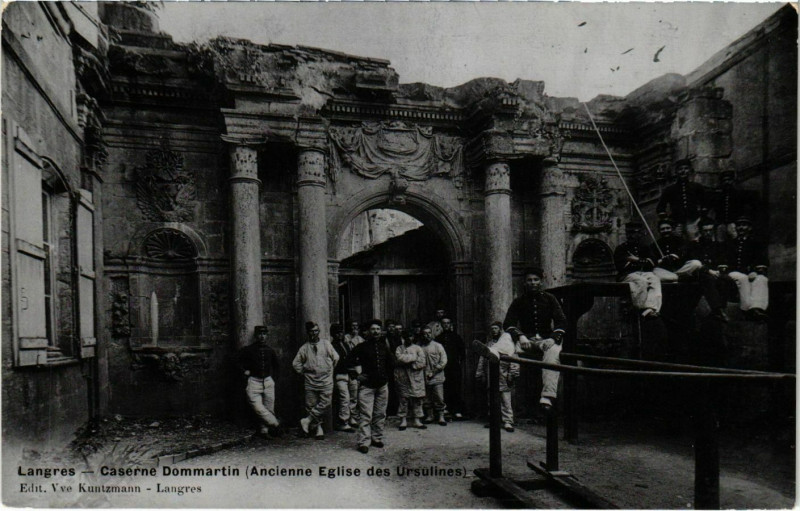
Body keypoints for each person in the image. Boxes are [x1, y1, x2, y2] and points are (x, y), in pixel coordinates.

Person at [503, 268, 566, 410]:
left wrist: (552, 339)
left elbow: (561, 321)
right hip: (526, 342)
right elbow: (508, 323)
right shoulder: (518, 301)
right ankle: (504, 363)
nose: (533, 283)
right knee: (507, 341)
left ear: (541, 282)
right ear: (524, 283)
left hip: (545, 342)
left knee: (553, 352)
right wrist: (521, 336)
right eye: (529, 280)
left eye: (536, 280)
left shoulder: (550, 299)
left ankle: (547, 395)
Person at [348, 319, 393, 453]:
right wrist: (357, 376)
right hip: (367, 387)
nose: (376, 332)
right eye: (373, 329)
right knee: (366, 415)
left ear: (381, 331)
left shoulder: (384, 347)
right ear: (368, 331)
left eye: (378, 329)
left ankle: (377, 438)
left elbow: (391, 363)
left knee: (380, 414)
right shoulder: (361, 347)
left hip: (382, 387)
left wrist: (386, 377)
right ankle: (364, 442)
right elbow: (347, 361)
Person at [292, 321, 338, 440]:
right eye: (311, 331)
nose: (314, 333)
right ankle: (318, 429)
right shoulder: (304, 348)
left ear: (319, 332)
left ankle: (307, 420)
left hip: (326, 381)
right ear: (308, 333)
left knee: (326, 403)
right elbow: (295, 363)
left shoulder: (326, 344)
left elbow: (336, 358)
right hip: (310, 381)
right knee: (311, 405)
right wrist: (305, 371)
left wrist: (328, 370)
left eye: (316, 331)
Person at [238, 326, 282, 437]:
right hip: (254, 381)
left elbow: (277, 366)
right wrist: (244, 371)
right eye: (259, 334)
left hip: (267, 381)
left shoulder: (270, 350)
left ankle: (264, 430)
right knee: (258, 407)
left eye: (264, 334)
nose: (262, 336)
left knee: (269, 407)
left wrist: (273, 380)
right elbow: (235, 360)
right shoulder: (249, 349)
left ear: (267, 335)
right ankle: (276, 424)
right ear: (256, 336)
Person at [682, 218, 729, 322]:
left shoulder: (716, 245)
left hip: (713, 273)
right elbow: (695, 264)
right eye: (705, 231)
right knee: (707, 278)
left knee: (725, 279)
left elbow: (720, 261)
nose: (708, 233)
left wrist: (718, 270)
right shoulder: (694, 245)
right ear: (700, 231)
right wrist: (710, 271)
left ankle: (719, 310)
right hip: (698, 274)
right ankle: (717, 310)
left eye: (710, 230)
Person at [476, 322, 520, 432]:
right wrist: (480, 373)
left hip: (504, 374)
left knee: (505, 399)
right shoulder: (489, 344)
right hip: (491, 374)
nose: (494, 331)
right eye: (492, 329)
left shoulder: (508, 343)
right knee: (491, 398)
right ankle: (493, 419)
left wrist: (512, 373)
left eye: (496, 328)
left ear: (500, 330)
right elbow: (482, 359)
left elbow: (514, 359)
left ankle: (508, 421)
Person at [724, 215, 769, 321]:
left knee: (762, 279)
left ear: (750, 228)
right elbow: (724, 260)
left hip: (749, 273)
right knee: (743, 278)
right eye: (739, 225)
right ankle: (746, 309)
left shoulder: (756, 243)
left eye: (744, 225)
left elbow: (762, 260)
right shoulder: (730, 244)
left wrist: (754, 271)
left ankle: (757, 308)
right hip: (733, 272)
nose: (741, 228)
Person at [614, 221, 663, 318]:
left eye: (635, 233)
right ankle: (640, 309)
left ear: (640, 234)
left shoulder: (645, 247)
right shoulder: (621, 248)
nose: (632, 236)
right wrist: (643, 262)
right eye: (630, 233)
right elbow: (620, 266)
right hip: (627, 275)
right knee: (642, 281)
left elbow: (653, 263)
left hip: (644, 272)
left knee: (655, 279)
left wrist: (637, 260)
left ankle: (651, 308)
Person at [656, 158, 708, 240]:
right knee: (677, 243)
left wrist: (700, 219)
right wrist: (667, 220)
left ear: (690, 170)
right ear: (676, 172)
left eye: (686, 168)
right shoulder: (669, 190)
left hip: (693, 222)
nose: (683, 171)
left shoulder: (697, 187)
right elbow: (660, 208)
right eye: (680, 169)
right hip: (676, 222)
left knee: (694, 243)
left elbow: (705, 203)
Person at [394, 331, 428, 431]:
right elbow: (400, 358)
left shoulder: (418, 348)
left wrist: (411, 363)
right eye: (405, 337)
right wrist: (413, 358)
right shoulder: (399, 348)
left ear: (413, 337)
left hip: (416, 376)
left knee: (417, 399)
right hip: (403, 376)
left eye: (410, 336)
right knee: (403, 398)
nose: (408, 339)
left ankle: (417, 420)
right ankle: (403, 420)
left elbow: (422, 362)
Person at [436, 316, 465, 420]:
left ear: (451, 324)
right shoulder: (438, 339)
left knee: (456, 388)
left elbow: (462, 352)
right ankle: (446, 409)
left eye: (448, 323)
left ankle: (457, 410)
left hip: (454, 367)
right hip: (443, 368)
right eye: (444, 323)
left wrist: (459, 362)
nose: (446, 325)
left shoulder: (456, 337)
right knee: (444, 387)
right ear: (441, 325)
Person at [418, 326, 448, 425]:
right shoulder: (419, 346)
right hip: (423, 376)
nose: (427, 336)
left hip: (437, 376)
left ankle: (441, 416)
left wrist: (434, 371)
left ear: (432, 334)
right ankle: (430, 416)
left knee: (439, 397)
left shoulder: (438, 346)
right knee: (426, 397)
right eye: (424, 334)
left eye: (429, 333)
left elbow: (443, 361)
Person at [330, 323, 357, 432]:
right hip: (340, 374)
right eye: (337, 333)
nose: (340, 335)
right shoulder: (332, 346)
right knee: (344, 398)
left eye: (341, 332)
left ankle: (352, 417)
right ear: (333, 334)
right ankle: (343, 421)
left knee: (353, 396)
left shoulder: (346, 345)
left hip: (350, 374)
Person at [711, 170, 750, 242]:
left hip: (733, 223)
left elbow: (743, 209)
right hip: (721, 224)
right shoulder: (718, 195)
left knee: (736, 241)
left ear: (733, 181)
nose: (727, 182)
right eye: (724, 180)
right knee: (721, 243)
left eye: (729, 180)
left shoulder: (738, 194)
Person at [651, 218, 688, 282]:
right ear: (659, 231)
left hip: (680, 269)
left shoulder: (680, 241)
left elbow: (685, 254)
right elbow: (654, 260)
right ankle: (679, 277)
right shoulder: (655, 245)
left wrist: (676, 256)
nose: (665, 230)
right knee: (654, 271)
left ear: (672, 229)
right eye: (662, 229)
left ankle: (674, 277)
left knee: (696, 263)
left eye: (668, 228)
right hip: (664, 271)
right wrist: (660, 260)